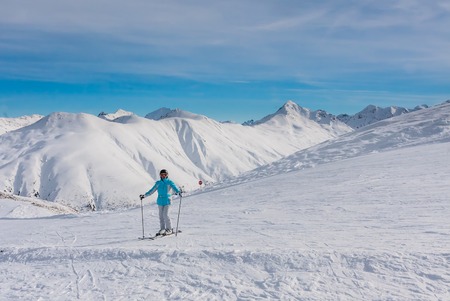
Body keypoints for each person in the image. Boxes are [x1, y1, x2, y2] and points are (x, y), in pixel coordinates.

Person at [140, 169, 181, 236]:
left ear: (167, 175)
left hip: (167, 201)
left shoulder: (169, 182)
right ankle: (162, 229)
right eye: (161, 174)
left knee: (166, 215)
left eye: (164, 174)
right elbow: (151, 191)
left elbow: (175, 188)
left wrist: (179, 192)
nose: (163, 176)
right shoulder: (158, 183)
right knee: (161, 216)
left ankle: (169, 229)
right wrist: (144, 195)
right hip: (160, 201)